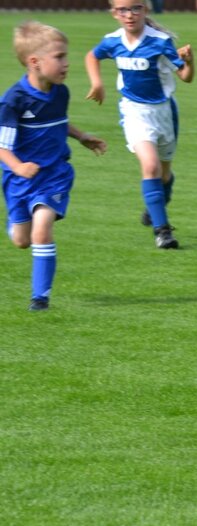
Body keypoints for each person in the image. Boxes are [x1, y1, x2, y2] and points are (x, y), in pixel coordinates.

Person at [0, 22, 106, 311]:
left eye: (65, 56)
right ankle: (15, 223)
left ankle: (40, 298)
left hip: (54, 175)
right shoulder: (13, 102)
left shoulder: (61, 92)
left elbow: (58, 123)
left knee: (42, 229)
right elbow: (2, 146)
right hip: (20, 180)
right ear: (34, 62)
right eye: (59, 57)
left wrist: (81, 136)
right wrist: (18, 167)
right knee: (22, 240)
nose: (66, 63)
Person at [85, 0, 194, 249]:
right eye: (123, 9)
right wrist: (97, 83)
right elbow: (92, 56)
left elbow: (186, 77)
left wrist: (189, 61)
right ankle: (162, 231)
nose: (129, 14)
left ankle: (157, 204)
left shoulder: (160, 41)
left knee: (163, 174)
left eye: (136, 8)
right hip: (134, 112)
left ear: (146, 10)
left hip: (164, 113)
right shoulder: (112, 41)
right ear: (114, 13)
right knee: (150, 166)